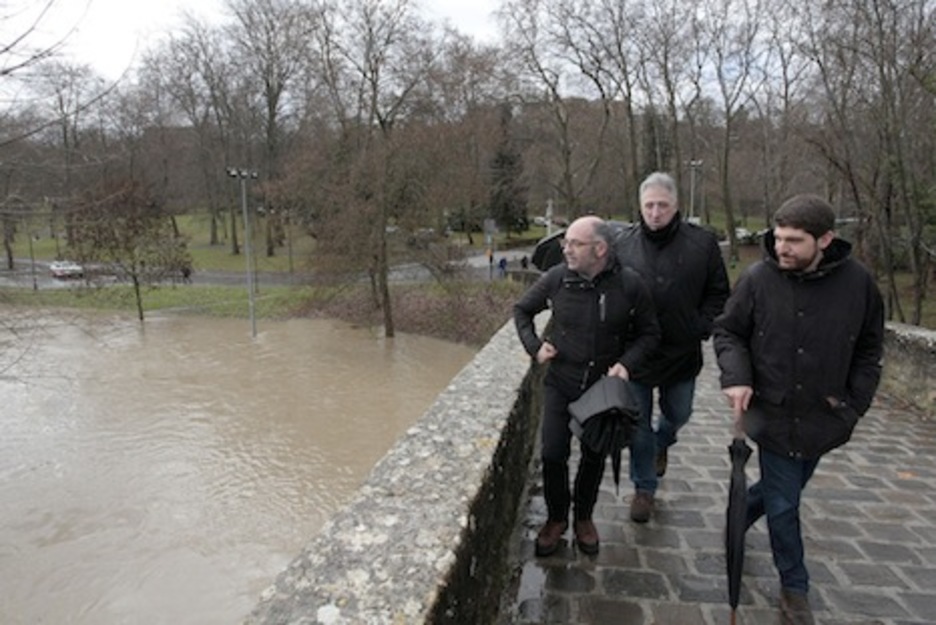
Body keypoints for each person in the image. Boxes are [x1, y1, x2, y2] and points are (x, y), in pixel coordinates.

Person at [713, 194, 884, 625]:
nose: (781, 247)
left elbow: (869, 348)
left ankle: (739, 517)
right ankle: (795, 587)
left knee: (780, 491)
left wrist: (854, 406)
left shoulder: (859, 284)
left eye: (794, 240)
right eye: (778, 237)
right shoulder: (757, 279)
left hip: (824, 419)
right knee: (786, 504)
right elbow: (728, 332)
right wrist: (736, 376)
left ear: (825, 239)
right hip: (771, 414)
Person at [514, 215, 660, 556]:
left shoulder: (629, 285)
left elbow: (650, 334)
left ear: (600, 249)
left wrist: (626, 364)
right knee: (553, 453)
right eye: (566, 243)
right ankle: (555, 518)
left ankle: (583, 517)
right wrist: (535, 346)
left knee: (594, 456)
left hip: (601, 390)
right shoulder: (556, 279)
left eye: (574, 244)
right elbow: (521, 311)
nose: (566, 249)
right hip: (561, 382)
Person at [614, 172, 730, 523]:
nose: (655, 212)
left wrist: (701, 325)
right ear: (640, 207)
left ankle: (663, 443)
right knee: (637, 426)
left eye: (662, 205)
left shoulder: (703, 244)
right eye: (649, 205)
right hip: (635, 354)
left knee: (679, 413)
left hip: (681, 352)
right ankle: (644, 488)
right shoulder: (623, 244)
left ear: (675, 205)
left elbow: (719, 294)